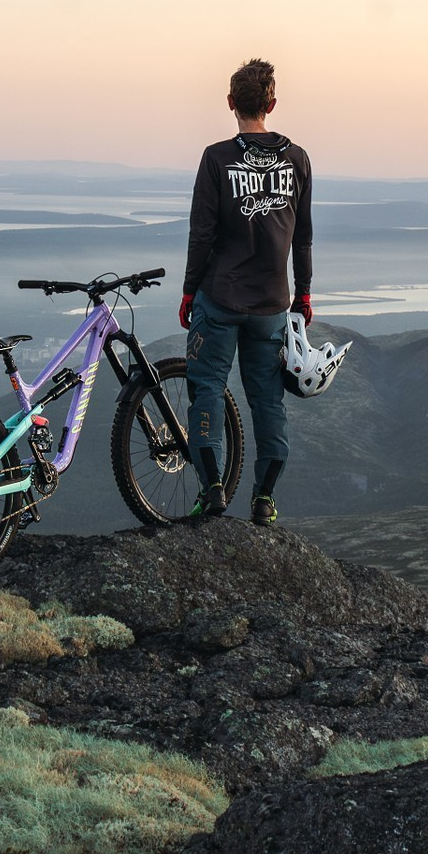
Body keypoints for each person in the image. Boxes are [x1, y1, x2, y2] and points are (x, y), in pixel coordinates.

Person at [179, 58, 312, 525]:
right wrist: (305, 296)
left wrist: (189, 290)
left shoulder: (216, 158)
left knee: (207, 390)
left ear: (231, 103)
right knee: (267, 401)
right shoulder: (297, 159)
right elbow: (303, 235)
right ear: (271, 104)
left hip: (219, 298)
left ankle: (212, 489)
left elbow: (202, 233)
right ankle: (264, 499)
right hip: (273, 303)